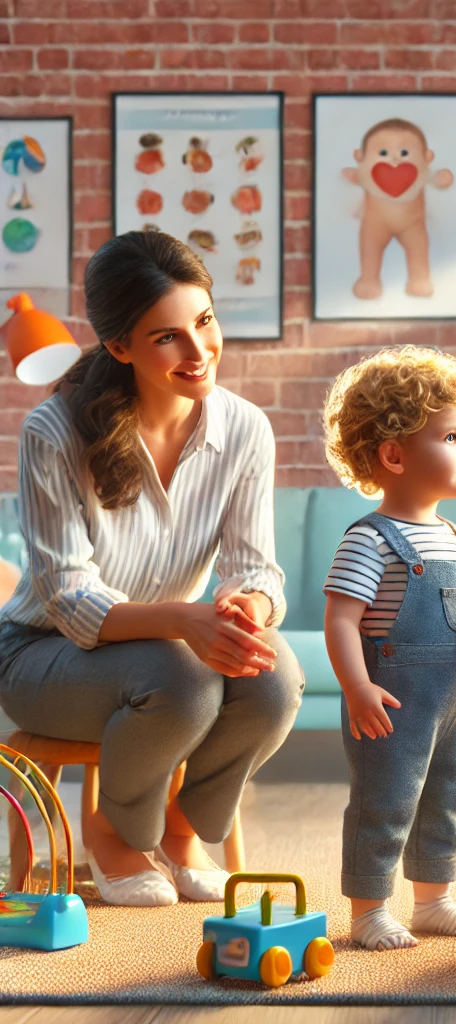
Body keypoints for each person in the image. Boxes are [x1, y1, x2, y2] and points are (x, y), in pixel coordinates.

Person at [0, 231, 304, 906]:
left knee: (276, 678)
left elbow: (257, 568)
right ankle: (114, 834)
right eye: (167, 337)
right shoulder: (54, 433)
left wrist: (245, 609)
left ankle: (181, 831)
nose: (198, 353)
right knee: (185, 676)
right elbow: (67, 596)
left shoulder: (245, 429)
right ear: (120, 347)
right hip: (42, 657)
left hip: (167, 649)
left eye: (204, 322)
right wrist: (181, 620)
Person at [321, 346, 456, 950]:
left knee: (445, 798)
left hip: (455, 702)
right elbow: (340, 619)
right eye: (452, 436)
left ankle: (433, 900)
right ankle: (368, 909)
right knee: (384, 803)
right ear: (393, 454)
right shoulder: (370, 541)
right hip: (392, 701)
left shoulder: (455, 536)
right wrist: (358, 688)